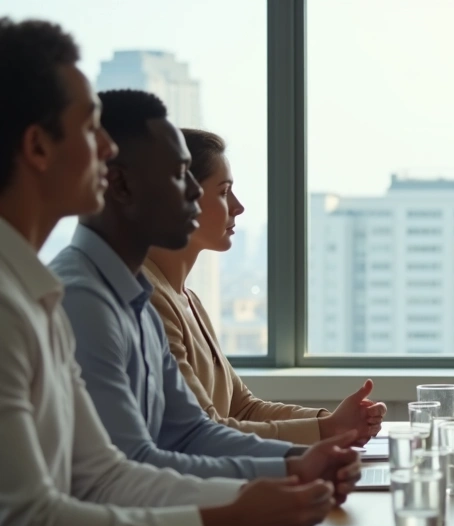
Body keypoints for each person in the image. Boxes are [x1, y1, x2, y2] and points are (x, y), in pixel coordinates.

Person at [0, 19, 335, 526]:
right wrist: (223, 519)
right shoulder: (41, 301)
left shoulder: (42, 298)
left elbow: (107, 474)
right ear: (36, 146)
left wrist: (280, 475)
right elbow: (34, 524)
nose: (106, 149)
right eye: (89, 128)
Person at [49, 89, 362, 486]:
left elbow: (190, 431)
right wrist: (249, 504)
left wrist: (297, 462)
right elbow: (128, 470)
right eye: (181, 177)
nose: (197, 195)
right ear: (121, 185)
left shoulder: (136, 297)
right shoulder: (85, 299)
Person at [143, 128, 384, 445]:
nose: (238, 206)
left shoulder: (188, 299)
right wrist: (327, 430)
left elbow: (243, 408)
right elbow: (202, 431)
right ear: (182, 198)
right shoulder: (149, 300)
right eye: (223, 191)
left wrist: (330, 421)